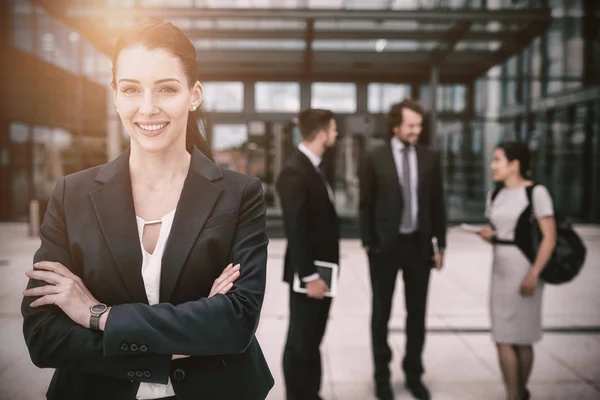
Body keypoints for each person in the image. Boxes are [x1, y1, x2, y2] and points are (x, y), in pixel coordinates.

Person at [21, 19, 274, 400]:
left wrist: (99, 315)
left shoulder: (240, 194)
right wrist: (188, 333)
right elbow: (44, 336)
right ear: (116, 96)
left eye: (167, 89)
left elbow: (235, 325)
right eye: (131, 89)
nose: (148, 107)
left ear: (194, 94)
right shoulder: (72, 194)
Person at [359, 99, 446, 400]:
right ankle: (381, 377)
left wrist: (441, 244)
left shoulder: (430, 158)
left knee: (417, 315)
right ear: (396, 126)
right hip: (385, 248)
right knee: (381, 314)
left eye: (419, 125)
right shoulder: (375, 157)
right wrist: (368, 242)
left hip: (419, 246)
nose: (416, 130)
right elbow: (365, 203)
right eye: (411, 125)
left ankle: (413, 374)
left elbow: (438, 204)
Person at [478, 142, 557, 400]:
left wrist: (534, 274)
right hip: (500, 271)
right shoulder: (495, 195)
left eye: (497, 160)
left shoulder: (536, 193)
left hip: (526, 270)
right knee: (502, 336)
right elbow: (500, 232)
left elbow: (549, 238)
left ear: (515, 165)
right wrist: (489, 236)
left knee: (523, 338)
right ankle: (513, 394)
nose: (493, 165)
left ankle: (518, 393)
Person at [276, 109, 339, 400]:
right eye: (333, 129)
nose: (336, 134)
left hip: (323, 272)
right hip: (310, 275)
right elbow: (296, 229)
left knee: (313, 339)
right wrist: (310, 275)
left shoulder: (315, 167)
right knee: (300, 342)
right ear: (322, 133)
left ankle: (311, 394)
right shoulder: (294, 171)